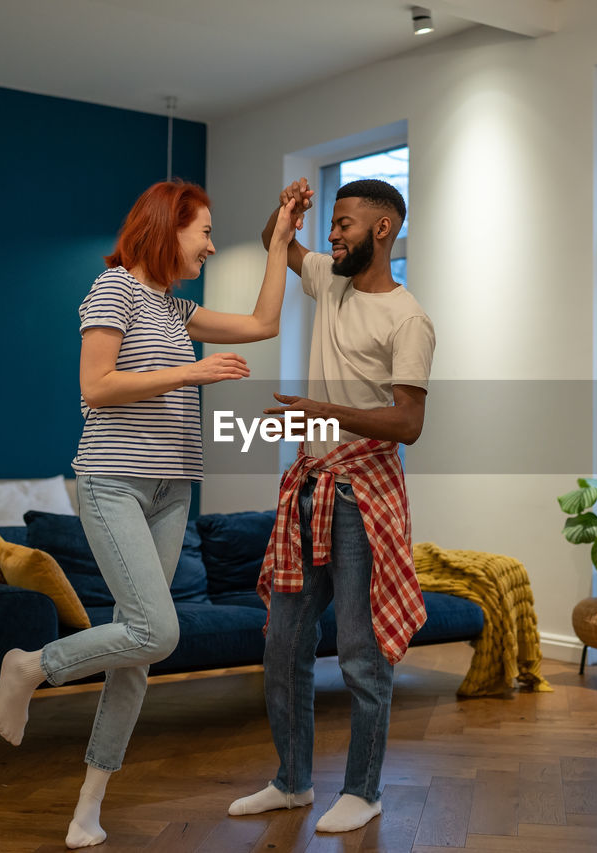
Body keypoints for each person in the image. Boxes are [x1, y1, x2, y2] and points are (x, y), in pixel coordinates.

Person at [0, 180, 302, 849]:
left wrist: (278, 242)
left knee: (137, 652)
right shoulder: (116, 289)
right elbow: (96, 386)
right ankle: (30, 664)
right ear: (168, 225)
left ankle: (87, 806)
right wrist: (191, 374)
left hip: (172, 490)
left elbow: (264, 323)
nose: (213, 246)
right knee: (156, 631)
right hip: (114, 483)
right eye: (205, 232)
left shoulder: (173, 307)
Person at [228, 178, 435, 833]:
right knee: (283, 644)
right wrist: (285, 211)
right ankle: (291, 781)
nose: (332, 233)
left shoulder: (409, 318)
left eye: (343, 223)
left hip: (363, 495)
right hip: (311, 485)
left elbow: (408, 422)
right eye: (331, 222)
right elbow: (274, 243)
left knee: (359, 653)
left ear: (381, 230)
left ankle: (363, 790)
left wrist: (326, 413)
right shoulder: (329, 280)